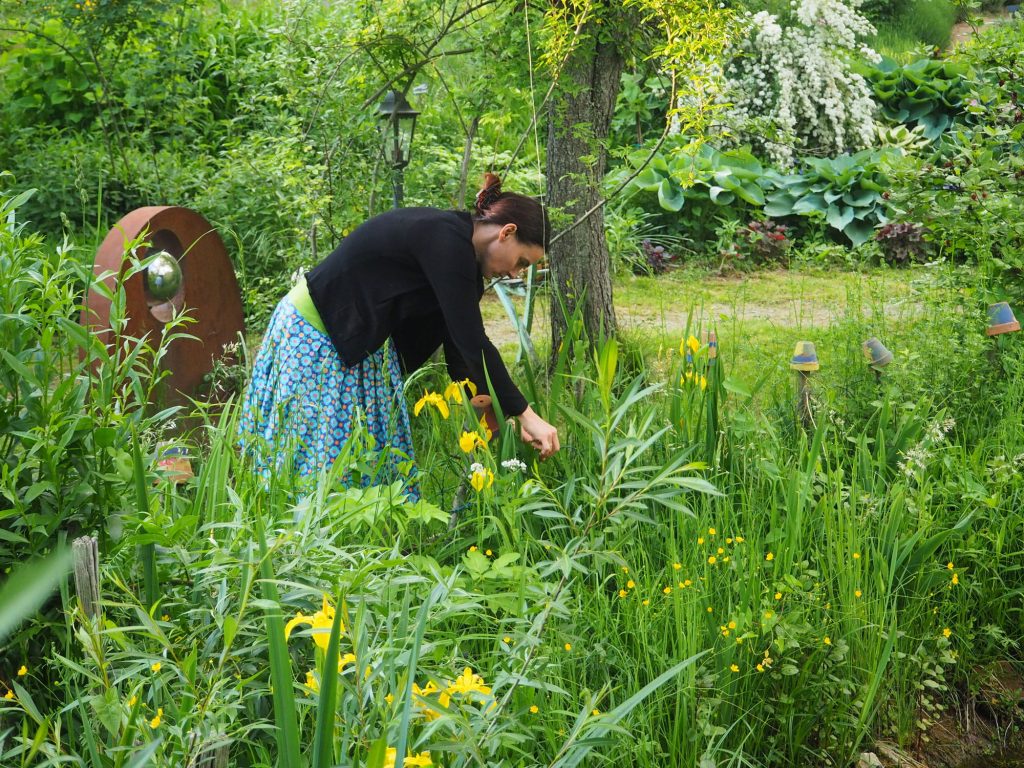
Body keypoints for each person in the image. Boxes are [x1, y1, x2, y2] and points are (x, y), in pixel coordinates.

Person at [238, 172, 560, 492]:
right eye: (522, 261)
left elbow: (460, 352)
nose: (516, 273)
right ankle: (300, 535)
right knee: (318, 457)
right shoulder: (445, 238)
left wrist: (499, 411)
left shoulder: (464, 267)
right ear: (507, 232)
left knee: (370, 459)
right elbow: (473, 341)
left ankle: (364, 535)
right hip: (316, 332)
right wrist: (526, 413)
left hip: (357, 343)